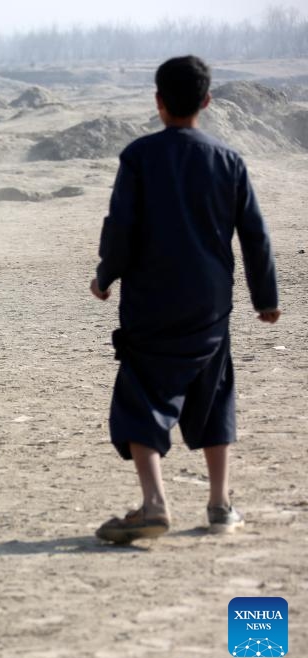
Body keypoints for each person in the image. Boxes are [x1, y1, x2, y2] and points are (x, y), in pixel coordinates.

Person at [89, 56, 280, 544]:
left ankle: (154, 504)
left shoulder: (139, 156)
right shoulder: (229, 159)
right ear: (207, 102)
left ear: (158, 102)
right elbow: (254, 235)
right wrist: (266, 298)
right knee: (214, 392)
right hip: (210, 305)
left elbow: (120, 228)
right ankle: (220, 506)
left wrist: (105, 275)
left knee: (142, 394)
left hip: (151, 301)